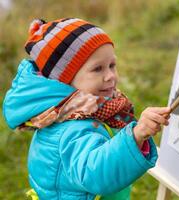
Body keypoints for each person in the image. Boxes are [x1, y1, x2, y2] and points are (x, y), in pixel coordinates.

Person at [2, 18, 170, 200]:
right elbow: (96, 174)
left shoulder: (86, 110)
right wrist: (136, 135)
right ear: (65, 80)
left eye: (112, 65)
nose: (110, 76)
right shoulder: (70, 128)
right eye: (98, 69)